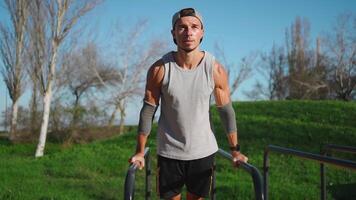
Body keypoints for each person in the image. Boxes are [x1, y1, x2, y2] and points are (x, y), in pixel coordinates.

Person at [129, 7, 248, 200]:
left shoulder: (215, 69)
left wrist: (236, 151)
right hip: (169, 153)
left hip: (203, 152)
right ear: (174, 33)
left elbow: (226, 112)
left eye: (194, 27)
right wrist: (140, 152)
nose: (188, 32)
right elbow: (148, 111)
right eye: (182, 27)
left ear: (202, 33)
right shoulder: (160, 69)